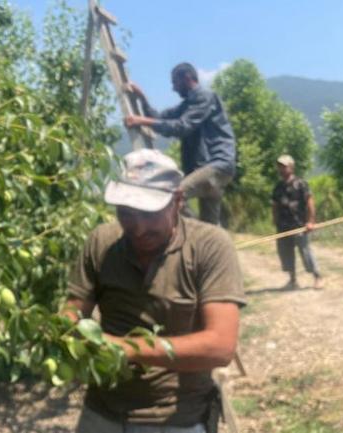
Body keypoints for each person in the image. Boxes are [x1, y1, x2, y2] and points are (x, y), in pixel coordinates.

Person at [64, 149, 246, 433]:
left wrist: (124, 348)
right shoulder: (102, 242)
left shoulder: (210, 246)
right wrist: (61, 335)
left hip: (174, 419)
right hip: (101, 411)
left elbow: (220, 346)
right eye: (125, 213)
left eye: (149, 214)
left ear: (177, 201)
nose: (137, 228)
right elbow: (72, 313)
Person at [124, 62, 236, 226]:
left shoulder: (205, 97)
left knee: (173, 195)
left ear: (187, 78)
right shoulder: (188, 104)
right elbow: (162, 118)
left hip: (217, 165)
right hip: (209, 168)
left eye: (175, 82)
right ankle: (207, 244)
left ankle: (193, 232)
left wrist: (142, 121)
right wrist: (142, 99)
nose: (173, 88)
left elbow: (182, 127)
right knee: (209, 227)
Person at [272, 154, 322, 290]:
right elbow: (275, 205)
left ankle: (317, 277)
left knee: (306, 252)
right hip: (283, 226)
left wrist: (311, 221)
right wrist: (275, 221)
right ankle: (293, 280)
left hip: (300, 225)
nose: (281, 169)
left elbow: (310, 202)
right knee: (286, 253)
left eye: (284, 166)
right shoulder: (278, 187)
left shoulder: (300, 184)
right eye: (279, 167)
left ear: (291, 167)